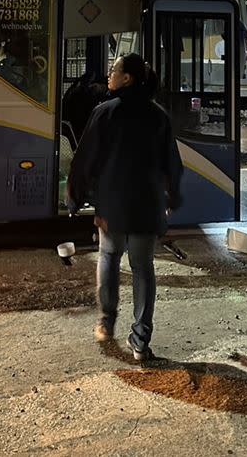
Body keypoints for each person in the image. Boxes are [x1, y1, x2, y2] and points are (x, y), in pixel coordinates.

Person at [66, 53, 183, 362]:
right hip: (147, 205)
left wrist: (75, 197)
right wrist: (172, 198)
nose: (109, 75)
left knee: (108, 256)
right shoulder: (159, 115)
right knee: (143, 269)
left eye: (114, 70)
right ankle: (140, 342)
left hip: (113, 204)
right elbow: (172, 163)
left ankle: (106, 321)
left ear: (127, 78)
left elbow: (84, 159)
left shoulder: (105, 112)